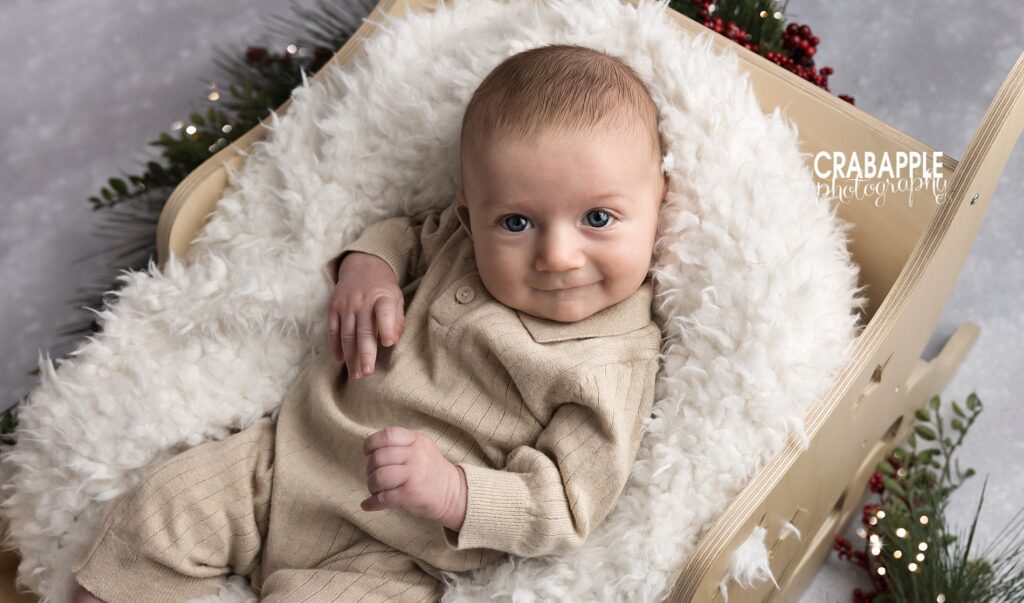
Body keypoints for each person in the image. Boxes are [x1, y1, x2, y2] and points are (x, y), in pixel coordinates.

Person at [72, 43, 669, 602]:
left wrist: (455, 490)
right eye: (516, 222)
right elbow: (405, 233)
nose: (557, 255)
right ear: (471, 212)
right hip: (284, 461)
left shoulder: (613, 360)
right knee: (160, 509)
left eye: (598, 217)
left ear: (658, 201)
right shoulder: (461, 245)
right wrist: (368, 271)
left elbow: (566, 507)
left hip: (392, 550)